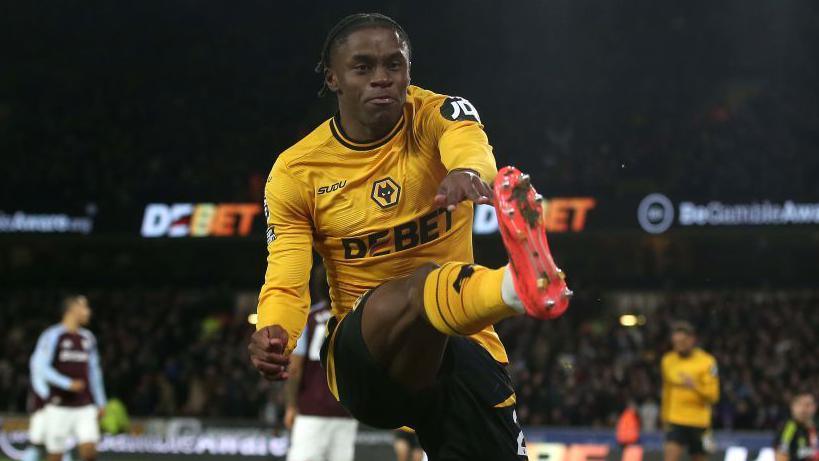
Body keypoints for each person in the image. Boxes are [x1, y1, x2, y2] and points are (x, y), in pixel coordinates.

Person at [248, 12, 571, 461]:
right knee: (421, 283)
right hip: (365, 362)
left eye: (393, 65)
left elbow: (470, 144)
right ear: (334, 78)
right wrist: (275, 329)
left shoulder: (438, 113)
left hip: (460, 347)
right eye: (363, 67)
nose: (382, 78)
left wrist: (467, 172)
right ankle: (519, 287)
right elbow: (287, 272)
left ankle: (516, 288)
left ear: (408, 72)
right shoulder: (296, 171)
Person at [284, 265, 358, 461]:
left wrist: (291, 405)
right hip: (346, 411)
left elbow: (295, 368)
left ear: (317, 287)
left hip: (312, 411)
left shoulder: (308, 319)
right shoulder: (355, 318)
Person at [32, 295, 107, 461]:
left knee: (89, 451)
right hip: (59, 405)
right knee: (55, 456)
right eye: (85, 308)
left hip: (84, 405)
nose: (89, 312)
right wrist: (67, 383)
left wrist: (101, 401)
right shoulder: (52, 336)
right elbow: (40, 367)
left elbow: (94, 371)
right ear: (72, 310)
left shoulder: (88, 338)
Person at [661, 321, 719, 461]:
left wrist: (694, 386)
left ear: (692, 340)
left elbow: (713, 396)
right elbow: (667, 390)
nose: (678, 347)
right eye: (675, 343)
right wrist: (664, 417)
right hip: (676, 420)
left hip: (699, 421)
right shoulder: (668, 360)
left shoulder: (707, 362)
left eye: (682, 342)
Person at [773, 393, 818, 461]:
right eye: (800, 404)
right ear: (793, 407)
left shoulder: (814, 428)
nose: (804, 409)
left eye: (808, 405)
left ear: (814, 407)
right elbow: (781, 455)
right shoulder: (789, 428)